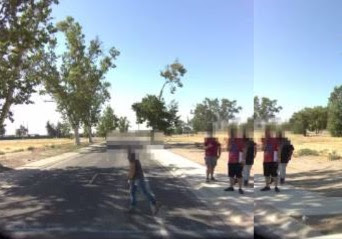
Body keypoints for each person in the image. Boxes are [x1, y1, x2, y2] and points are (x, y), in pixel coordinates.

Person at [127, 147, 160, 215]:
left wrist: (129, 178)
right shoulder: (132, 151)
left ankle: (155, 203)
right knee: (132, 191)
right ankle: (133, 207)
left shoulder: (131, 153)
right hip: (136, 175)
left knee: (144, 191)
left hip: (138, 176)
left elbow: (132, 167)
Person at [224, 127, 244, 194]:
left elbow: (243, 150)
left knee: (239, 175)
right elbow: (227, 149)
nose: (231, 134)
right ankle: (231, 187)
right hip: (231, 160)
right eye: (230, 133)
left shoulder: (240, 140)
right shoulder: (229, 140)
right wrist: (228, 143)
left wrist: (243, 159)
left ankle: (240, 188)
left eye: (232, 133)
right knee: (231, 175)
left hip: (238, 160)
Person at [260, 128, 280, 193]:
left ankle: (276, 187)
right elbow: (262, 149)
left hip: (273, 159)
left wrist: (278, 158)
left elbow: (278, 149)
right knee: (266, 174)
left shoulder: (275, 140)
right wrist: (265, 142)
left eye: (268, 133)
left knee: (274, 174)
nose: (267, 134)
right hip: (266, 160)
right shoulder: (263, 140)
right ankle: (267, 186)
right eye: (266, 133)